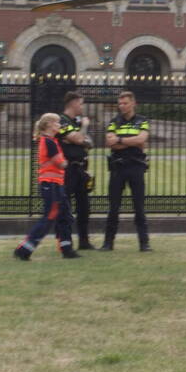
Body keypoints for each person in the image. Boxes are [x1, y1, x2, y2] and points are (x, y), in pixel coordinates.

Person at [13, 113, 79, 260]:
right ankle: (24, 249)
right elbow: (60, 163)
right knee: (49, 216)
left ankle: (67, 248)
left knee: (65, 215)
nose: (60, 125)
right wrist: (66, 162)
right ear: (49, 124)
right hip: (51, 185)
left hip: (56, 184)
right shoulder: (48, 142)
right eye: (57, 123)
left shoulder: (52, 141)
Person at [102, 91, 151, 252]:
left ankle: (144, 243)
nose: (121, 106)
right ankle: (108, 243)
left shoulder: (142, 120)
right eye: (120, 103)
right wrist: (132, 142)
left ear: (133, 103)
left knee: (139, 206)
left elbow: (142, 140)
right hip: (118, 167)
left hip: (136, 166)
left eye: (125, 103)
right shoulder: (114, 121)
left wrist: (120, 140)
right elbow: (111, 143)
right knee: (113, 207)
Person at [58, 91, 96, 250]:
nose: (82, 107)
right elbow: (81, 139)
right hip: (69, 169)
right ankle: (64, 242)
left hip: (81, 168)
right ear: (73, 103)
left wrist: (78, 138)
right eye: (80, 103)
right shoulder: (61, 121)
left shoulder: (75, 123)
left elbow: (89, 142)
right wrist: (84, 129)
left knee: (84, 207)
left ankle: (84, 241)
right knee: (65, 207)